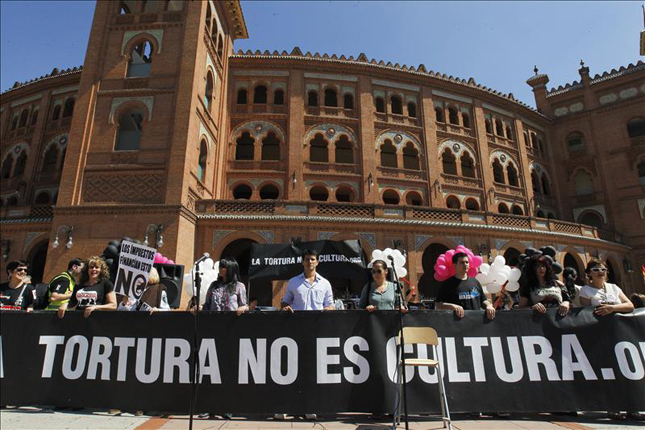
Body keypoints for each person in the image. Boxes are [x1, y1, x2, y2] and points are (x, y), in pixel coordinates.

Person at [277, 249, 333, 420]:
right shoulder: (293, 282)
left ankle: (310, 406)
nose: (310, 262)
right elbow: (285, 301)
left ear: (317, 262)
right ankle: (287, 406)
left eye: (313, 259)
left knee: (312, 369)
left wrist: (327, 309)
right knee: (292, 369)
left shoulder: (325, 283)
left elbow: (330, 304)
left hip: (317, 331)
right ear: (302, 262)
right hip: (296, 331)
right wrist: (286, 306)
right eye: (307, 259)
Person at [192, 258, 246, 420]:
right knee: (209, 370)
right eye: (220, 266)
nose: (220, 268)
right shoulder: (213, 286)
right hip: (212, 331)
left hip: (230, 332)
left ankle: (226, 407)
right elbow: (207, 305)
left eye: (223, 266)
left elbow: (244, 305)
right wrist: (198, 308)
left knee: (227, 370)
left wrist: (243, 309)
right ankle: (207, 407)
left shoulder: (239, 286)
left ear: (230, 269)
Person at [435, 252, 495, 320]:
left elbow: (483, 300)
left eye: (467, 262)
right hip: (457, 326)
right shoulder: (447, 284)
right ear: (455, 265)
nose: (465, 264)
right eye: (462, 262)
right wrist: (453, 306)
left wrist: (488, 305)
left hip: (477, 324)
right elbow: (438, 305)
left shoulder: (475, 282)